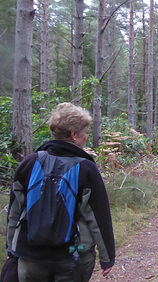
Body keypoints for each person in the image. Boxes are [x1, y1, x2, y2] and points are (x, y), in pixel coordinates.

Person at [6, 102, 115, 281]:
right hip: (73, 256)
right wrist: (107, 257)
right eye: (85, 133)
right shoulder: (87, 169)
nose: (87, 137)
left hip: (30, 255)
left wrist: (12, 248)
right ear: (73, 135)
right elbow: (98, 217)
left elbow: (14, 212)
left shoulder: (29, 162)